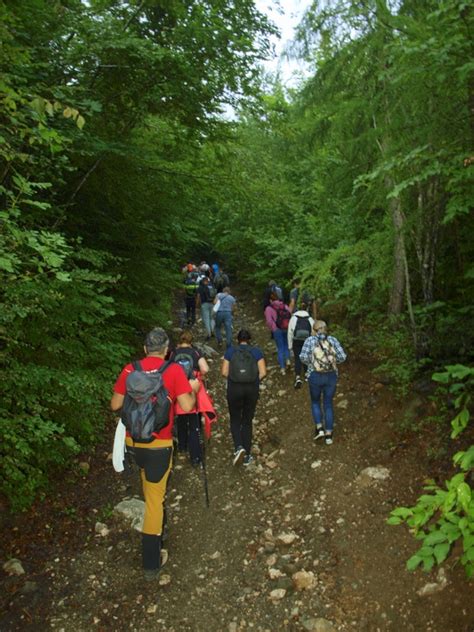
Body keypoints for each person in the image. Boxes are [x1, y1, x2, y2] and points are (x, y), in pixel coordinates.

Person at [110, 327, 200, 581]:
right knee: (153, 501)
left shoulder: (130, 369)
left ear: (144, 349)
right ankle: (151, 562)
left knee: (148, 490)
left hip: (133, 444)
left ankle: (161, 530)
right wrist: (191, 387)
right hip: (159, 445)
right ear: (167, 350)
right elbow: (187, 406)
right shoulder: (172, 371)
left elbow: (115, 404)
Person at [221, 329, 266, 466]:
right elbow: (263, 372)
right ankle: (247, 456)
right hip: (251, 389)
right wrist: (253, 381)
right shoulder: (256, 352)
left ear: (238, 339)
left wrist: (235, 379)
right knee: (247, 421)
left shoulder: (230, 351)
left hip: (234, 389)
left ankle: (238, 447)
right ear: (250, 339)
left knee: (235, 419)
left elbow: (224, 372)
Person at [299, 320, 347, 445]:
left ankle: (319, 428)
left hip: (315, 375)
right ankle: (329, 435)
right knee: (328, 404)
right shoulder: (333, 340)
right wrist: (330, 362)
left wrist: (314, 362)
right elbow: (342, 357)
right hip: (331, 376)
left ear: (314, 330)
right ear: (326, 329)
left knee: (315, 401)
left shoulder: (310, 341)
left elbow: (302, 357)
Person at [169, 331, 209, 466]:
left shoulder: (174, 353)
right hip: (192, 388)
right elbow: (205, 368)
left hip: (178, 390)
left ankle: (182, 448)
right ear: (191, 341)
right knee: (194, 424)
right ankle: (195, 457)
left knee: (180, 419)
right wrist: (200, 377)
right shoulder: (195, 352)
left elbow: (167, 369)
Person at [287, 301, 314, 389]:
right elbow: (313, 331)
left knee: (297, 358)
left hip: (296, 340)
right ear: (306, 308)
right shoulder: (310, 318)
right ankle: (307, 374)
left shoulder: (294, 318)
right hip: (307, 340)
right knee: (307, 356)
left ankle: (298, 377)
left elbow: (290, 332)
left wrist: (290, 346)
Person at [264, 292, 291, 375]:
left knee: (280, 348)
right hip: (286, 328)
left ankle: (282, 368)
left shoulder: (269, 308)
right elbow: (290, 315)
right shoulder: (284, 306)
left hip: (277, 329)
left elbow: (269, 321)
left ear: (270, 300)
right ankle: (288, 360)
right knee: (286, 345)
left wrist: (273, 328)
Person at [197, 276, 215, 340]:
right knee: (212, 318)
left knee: (206, 319)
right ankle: (212, 330)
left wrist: (197, 304)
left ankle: (209, 334)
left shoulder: (200, 287)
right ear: (207, 281)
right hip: (212, 303)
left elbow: (198, 297)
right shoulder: (211, 286)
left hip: (204, 304)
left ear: (203, 281)